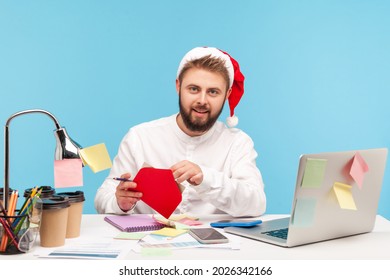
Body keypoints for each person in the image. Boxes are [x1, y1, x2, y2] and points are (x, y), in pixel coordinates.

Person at [94, 46, 266, 217]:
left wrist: (205, 178)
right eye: (194, 89)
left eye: (213, 92)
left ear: (227, 94)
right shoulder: (139, 137)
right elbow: (102, 197)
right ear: (178, 86)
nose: (202, 100)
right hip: (145, 240)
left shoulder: (237, 143)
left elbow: (256, 204)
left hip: (213, 243)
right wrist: (120, 202)